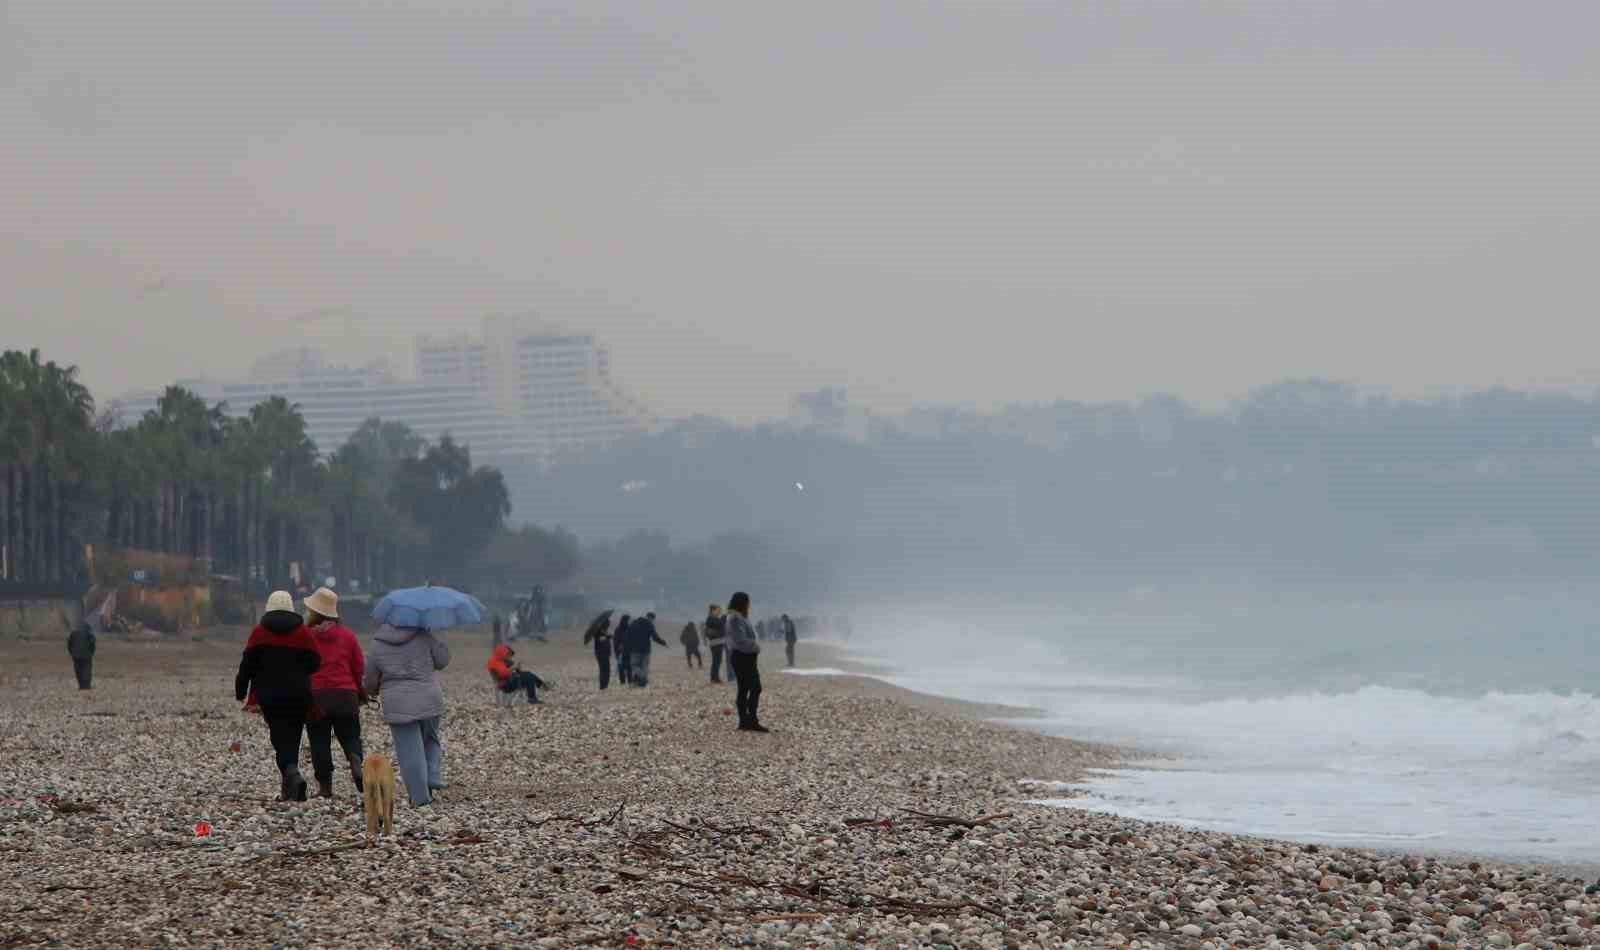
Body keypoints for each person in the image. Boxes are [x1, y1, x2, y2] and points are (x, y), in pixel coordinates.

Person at [235, 590, 322, 801]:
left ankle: (291, 773)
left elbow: (247, 666)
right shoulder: (303, 633)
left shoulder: (259, 633)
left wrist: (241, 690)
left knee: (279, 738)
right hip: (299, 695)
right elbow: (315, 663)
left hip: (270, 695)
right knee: (292, 737)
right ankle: (291, 785)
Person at [364, 621, 451, 807]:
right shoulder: (424, 636)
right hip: (428, 697)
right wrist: (437, 637)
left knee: (409, 751)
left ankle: (420, 798)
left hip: (397, 702)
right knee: (431, 739)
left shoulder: (378, 643)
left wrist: (372, 690)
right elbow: (442, 661)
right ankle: (433, 774)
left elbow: (370, 678)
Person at [303, 587, 367, 799]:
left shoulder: (306, 636)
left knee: (319, 741)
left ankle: (325, 787)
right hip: (345, 695)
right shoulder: (348, 636)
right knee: (350, 736)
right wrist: (360, 691)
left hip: (317, 696)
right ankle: (355, 760)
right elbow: (358, 666)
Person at [726, 593, 765, 731]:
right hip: (743, 656)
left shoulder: (737, 616)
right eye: (748, 602)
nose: (750, 604)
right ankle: (750, 720)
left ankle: (745, 721)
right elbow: (740, 640)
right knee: (754, 687)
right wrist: (756, 646)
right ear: (742, 603)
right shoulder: (735, 617)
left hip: (743, 656)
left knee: (744, 689)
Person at [625, 612, 668, 687]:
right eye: (653, 619)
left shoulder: (633, 623)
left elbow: (627, 636)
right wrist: (663, 643)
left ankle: (640, 682)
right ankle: (643, 679)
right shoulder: (649, 624)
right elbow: (655, 637)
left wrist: (627, 647)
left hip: (635, 650)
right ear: (650, 618)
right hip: (646, 650)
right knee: (644, 666)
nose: (653, 621)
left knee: (634, 666)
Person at [583, 615, 614, 689]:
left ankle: (605, 684)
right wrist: (608, 637)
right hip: (601, 653)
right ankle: (603, 685)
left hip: (605, 653)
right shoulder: (598, 632)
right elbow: (600, 639)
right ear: (604, 625)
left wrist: (608, 636)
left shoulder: (604, 631)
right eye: (607, 624)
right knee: (604, 669)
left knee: (606, 669)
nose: (608, 625)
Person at [67, 620, 95, 690]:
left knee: (78, 670)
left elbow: (69, 644)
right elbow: (92, 643)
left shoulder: (73, 633)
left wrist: (72, 653)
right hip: (86, 655)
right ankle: (87, 686)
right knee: (86, 670)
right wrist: (91, 652)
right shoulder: (89, 633)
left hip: (76, 655)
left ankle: (81, 685)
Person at [703, 604, 727, 683]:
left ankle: (715, 678)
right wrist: (724, 617)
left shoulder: (713, 618)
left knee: (717, 661)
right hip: (715, 642)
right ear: (713, 610)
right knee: (716, 661)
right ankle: (714, 678)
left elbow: (720, 626)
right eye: (718, 610)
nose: (719, 612)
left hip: (717, 642)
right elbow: (720, 625)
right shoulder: (711, 618)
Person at [613, 614, 632, 685]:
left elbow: (615, 642)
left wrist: (616, 652)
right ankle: (628, 681)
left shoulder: (618, 629)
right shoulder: (628, 629)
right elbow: (616, 641)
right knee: (627, 668)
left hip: (623, 652)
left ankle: (623, 682)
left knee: (623, 668)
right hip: (624, 652)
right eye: (628, 620)